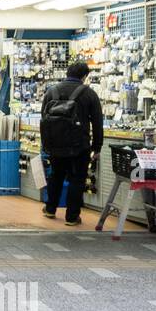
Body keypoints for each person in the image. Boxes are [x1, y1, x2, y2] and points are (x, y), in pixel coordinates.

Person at [39, 60, 105, 227]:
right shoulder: (89, 94)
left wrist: (46, 143)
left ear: (67, 73)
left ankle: (50, 208)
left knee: (56, 176)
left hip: (55, 145)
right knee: (77, 179)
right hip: (79, 147)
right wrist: (97, 147)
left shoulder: (51, 92)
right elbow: (97, 123)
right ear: (84, 76)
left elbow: (44, 119)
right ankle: (72, 217)